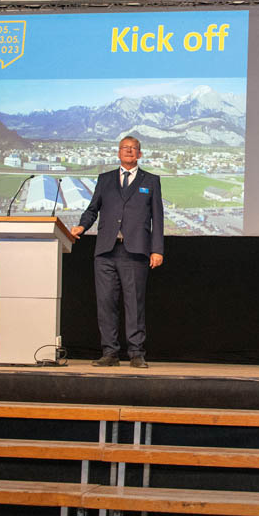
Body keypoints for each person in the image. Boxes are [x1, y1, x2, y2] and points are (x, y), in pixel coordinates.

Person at [71, 136, 163, 368]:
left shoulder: (151, 181)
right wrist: (82, 226)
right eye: (125, 148)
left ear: (139, 154)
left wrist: (157, 250)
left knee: (134, 304)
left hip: (135, 252)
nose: (129, 151)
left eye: (133, 148)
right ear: (118, 152)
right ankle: (110, 352)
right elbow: (92, 209)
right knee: (106, 304)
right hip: (106, 251)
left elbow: (158, 218)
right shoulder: (105, 179)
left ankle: (136, 353)